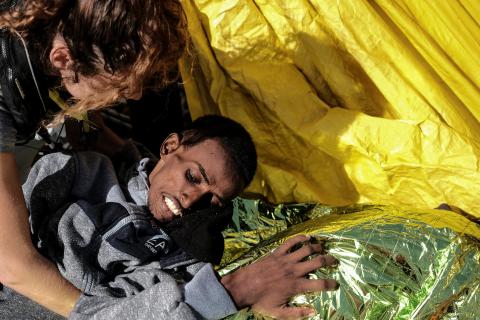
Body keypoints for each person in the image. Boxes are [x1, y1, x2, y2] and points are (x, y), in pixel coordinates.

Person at [2, 115, 338, 319]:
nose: (193, 199)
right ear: (168, 147)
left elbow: (117, 312)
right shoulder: (83, 172)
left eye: (211, 200)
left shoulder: (181, 260)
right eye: (193, 177)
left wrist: (228, 293)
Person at [0, 0, 187, 316]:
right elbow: (14, 264)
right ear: (63, 58)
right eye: (121, 83)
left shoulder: (47, 29)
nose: (137, 94)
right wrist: (103, 312)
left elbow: (81, 120)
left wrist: (130, 158)